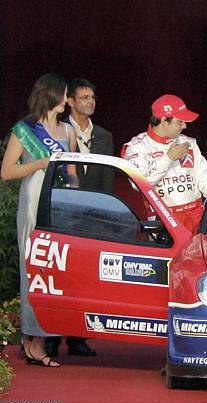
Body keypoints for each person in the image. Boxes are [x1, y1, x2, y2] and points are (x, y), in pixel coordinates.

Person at [1, 73, 78, 367]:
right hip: (34, 201)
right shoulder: (25, 130)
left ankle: (43, 338)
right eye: (65, 94)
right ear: (53, 95)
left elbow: (72, 172)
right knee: (31, 266)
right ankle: (31, 339)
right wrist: (40, 164)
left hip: (60, 203)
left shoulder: (68, 130)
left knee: (53, 269)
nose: (68, 100)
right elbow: (7, 172)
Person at [45, 78, 113, 358]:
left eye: (93, 97)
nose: (90, 102)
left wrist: (108, 215)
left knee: (85, 277)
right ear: (70, 101)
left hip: (93, 216)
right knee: (58, 277)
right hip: (62, 213)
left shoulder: (104, 136)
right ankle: (50, 338)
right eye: (84, 97)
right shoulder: (57, 132)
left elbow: (108, 179)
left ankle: (78, 338)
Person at [122, 94, 207, 233]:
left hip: (198, 218)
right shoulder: (137, 147)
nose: (185, 125)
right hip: (164, 220)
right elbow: (139, 185)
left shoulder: (188, 142)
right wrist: (168, 158)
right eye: (180, 121)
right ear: (164, 121)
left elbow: (204, 177)